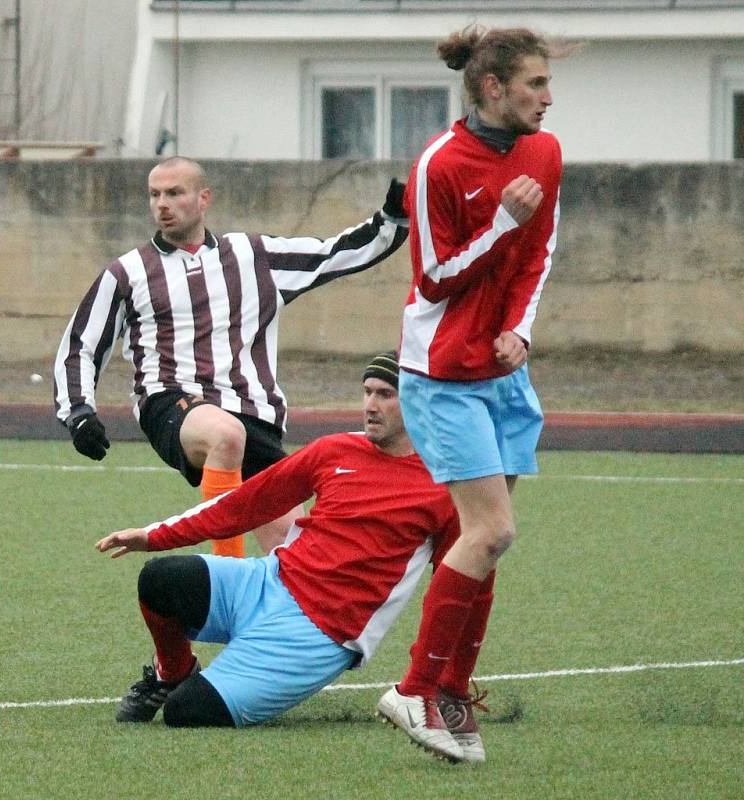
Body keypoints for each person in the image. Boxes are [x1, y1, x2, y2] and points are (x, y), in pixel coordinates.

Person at [95, 351, 483, 763]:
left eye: (386, 394)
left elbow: (461, 591)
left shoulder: (448, 487)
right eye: (367, 392)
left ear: (419, 401)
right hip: (270, 581)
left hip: (318, 635)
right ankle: (173, 673)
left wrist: (448, 683)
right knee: (160, 579)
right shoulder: (334, 450)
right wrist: (153, 536)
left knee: (186, 714)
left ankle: (196, 687)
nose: (370, 405)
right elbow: (245, 503)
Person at [55, 157, 407, 556]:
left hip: (255, 418)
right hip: (172, 403)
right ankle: (227, 572)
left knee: (298, 558)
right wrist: (79, 413)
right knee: (224, 435)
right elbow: (79, 346)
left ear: (204, 199)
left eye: (174, 193)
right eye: (155, 195)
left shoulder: (253, 255)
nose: (162, 204)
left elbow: (332, 255)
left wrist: (391, 220)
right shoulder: (127, 272)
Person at [377, 26, 566, 759]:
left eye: (549, 85)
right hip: (443, 375)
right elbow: (434, 278)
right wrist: (500, 223)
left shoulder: (544, 152)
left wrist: (522, 327)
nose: (547, 100)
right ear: (494, 88)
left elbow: (540, 248)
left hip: (504, 371)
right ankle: (416, 689)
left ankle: (452, 687)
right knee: (493, 532)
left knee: (474, 541)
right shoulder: (438, 165)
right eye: (535, 86)